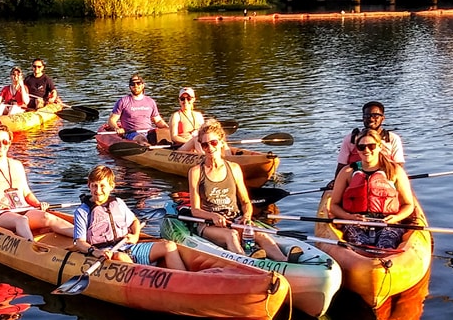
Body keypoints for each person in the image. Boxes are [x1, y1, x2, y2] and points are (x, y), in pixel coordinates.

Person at [186, 120, 294, 261]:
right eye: (205, 145)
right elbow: (195, 210)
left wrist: (247, 216)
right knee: (231, 235)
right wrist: (212, 216)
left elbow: (245, 202)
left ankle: (284, 261)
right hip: (209, 224)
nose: (209, 148)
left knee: (260, 234)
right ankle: (247, 262)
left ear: (221, 142)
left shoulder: (234, 168)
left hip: (234, 219)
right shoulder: (195, 172)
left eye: (213, 143)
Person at [71, 165, 185, 270]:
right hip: (106, 253)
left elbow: (134, 221)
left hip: (129, 248)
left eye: (102, 186)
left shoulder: (118, 203)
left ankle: (183, 282)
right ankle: (143, 279)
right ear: (89, 186)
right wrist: (94, 251)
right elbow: (80, 243)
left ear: (111, 186)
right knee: (121, 257)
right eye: (94, 186)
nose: (98, 190)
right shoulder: (82, 212)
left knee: (169, 246)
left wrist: (135, 235)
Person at [0, 125, 74, 241]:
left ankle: (84, 239)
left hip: (21, 208)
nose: (1, 145)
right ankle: (31, 248)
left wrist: (38, 204)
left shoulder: (17, 165)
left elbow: (26, 192)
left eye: (5, 142)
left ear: (9, 143)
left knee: (47, 217)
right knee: (21, 220)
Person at [326, 129, 418, 249]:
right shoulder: (347, 172)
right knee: (359, 246)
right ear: (357, 149)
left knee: (385, 245)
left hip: (388, 222)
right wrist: (349, 217)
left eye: (371, 146)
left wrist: (396, 218)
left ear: (380, 146)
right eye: (361, 147)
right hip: (355, 222)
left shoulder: (395, 171)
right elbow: (334, 205)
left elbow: (408, 205)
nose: (367, 150)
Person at [335, 101, 405, 175]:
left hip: (385, 178)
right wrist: (335, 182)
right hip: (355, 179)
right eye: (367, 116)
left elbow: (398, 165)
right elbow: (341, 165)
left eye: (375, 116)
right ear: (363, 118)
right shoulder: (351, 139)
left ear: (382, 118)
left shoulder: (392, 139)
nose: (371, 119)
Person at [108, 75, 169, 143]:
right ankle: (148, 148)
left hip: (149, 131)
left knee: (166, 137)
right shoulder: (123, 101)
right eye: (132, 84)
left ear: (143, 85)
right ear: (130, 87)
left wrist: (167, 129)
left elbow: (158, 121)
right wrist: (117, 128)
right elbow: (112, 120)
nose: (136, 86)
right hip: (131, 133)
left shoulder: (150, 101)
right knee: (141, 138)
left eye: (138, 83)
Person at [165, 87, 205, 151]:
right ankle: (204, 158)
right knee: (195, 140)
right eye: (182, 99)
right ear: (179, 100)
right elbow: (174, 137)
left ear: (193, 99)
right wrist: (190, 142)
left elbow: (204, 133)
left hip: (198, 144)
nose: (185, 101)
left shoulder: (198, 115)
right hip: (181, 147)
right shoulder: (176, 116)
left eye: (188, 99)